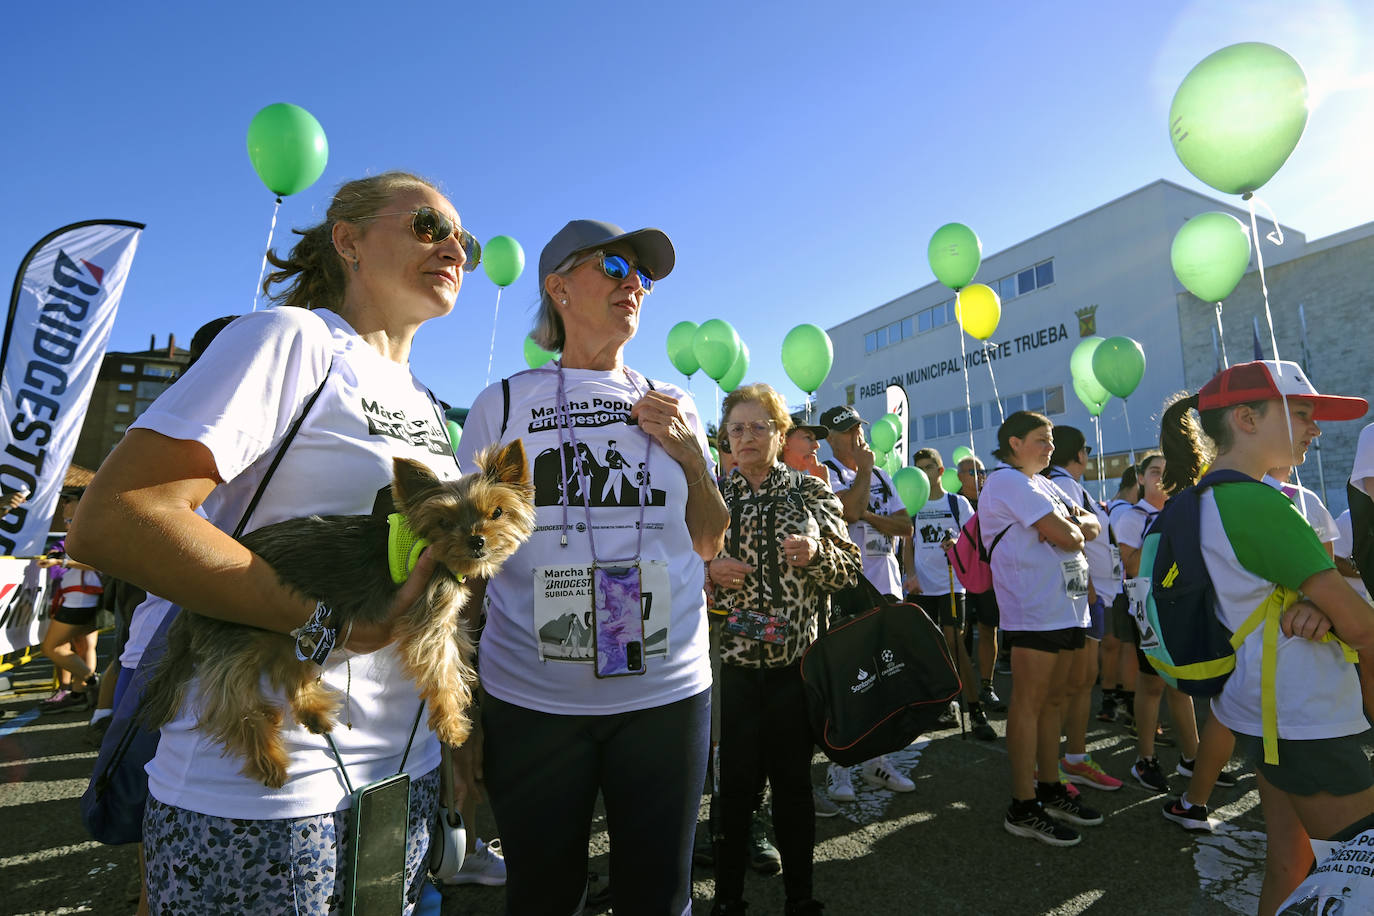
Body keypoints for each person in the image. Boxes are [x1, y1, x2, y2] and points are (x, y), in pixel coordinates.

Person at [70, 171, 473, 913]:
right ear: (347, 240)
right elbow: (116, 517)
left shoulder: (424, 401)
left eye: (464, 241)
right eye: (427, 225)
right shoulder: (293, 339)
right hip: (266, 790)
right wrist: (331, 626)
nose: (454, 246)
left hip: (397, 778)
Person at [453, 219, 729, 916]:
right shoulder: (506, 403)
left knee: (659, 900)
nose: (633, 283)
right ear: (558, 286)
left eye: (643, 275)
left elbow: (709, 541)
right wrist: (458, 711)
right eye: (613, 266)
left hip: (665, 697)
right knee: (545, 899)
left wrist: (692, 457)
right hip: (533, 703)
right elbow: (467, 563)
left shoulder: (676, 402)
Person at [1152, 361, 1374, 915]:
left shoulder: (1205, 497)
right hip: (1309, 719)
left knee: (1290, 864)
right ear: (1247, 418)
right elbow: (1363, 625)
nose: (1315, 429)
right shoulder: (1257, 503)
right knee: (1361, 883)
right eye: (1301, 414)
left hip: (1263, 713)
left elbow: (1289, 596)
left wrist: (1316, 606)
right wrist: (1330, 608)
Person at [707, 383, 860, 916]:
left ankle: (801, 898)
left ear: (779, 432)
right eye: (736, 429)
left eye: (758, 427)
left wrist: (818, 553)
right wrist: (707, 572)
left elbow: (850, 569)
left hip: (797, 669)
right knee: (734, 792)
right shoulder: (712, 498)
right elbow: (677, 574)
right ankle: (727, 901)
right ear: (725, 438)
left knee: (793, 786)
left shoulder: (812, 493)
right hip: (733, 669)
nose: (747, 437)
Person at [977, 411, 1102, 846]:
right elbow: (1069, 535)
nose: (1050, 447)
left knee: (1054, 701)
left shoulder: (1045, 483)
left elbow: (1091, 525)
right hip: (1034, 609)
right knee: (1030, 704)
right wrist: (1070, 529)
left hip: (1066, 607)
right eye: (1041, 439)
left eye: (1051, 440)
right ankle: (1023, 804)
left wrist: (1070, 527)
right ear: (1014, 443)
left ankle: (1049, 787)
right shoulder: (1006, 481)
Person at [819, 405, 916, 798]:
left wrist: (870, 518)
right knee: (846, 680)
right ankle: (838, 766)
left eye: (858, 426)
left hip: (886, 585)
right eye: (847, 430)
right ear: (830, 437)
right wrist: (862, 479)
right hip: (847, 588)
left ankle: (878, 761)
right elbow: (848, 509)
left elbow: (905, 525)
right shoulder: (824, 470)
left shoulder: (879, 474)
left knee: (884, 674)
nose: (857, 434)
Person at [1116, 453, 1203, 794]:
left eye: (1168, 472)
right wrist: (1163, 527)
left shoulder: (1184, 513)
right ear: (1140, 478)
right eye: (1154, 472)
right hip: (1148, 610)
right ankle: (1145, 759)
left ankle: (1193, 757)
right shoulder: (1133, 517)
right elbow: (1133, 567)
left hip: (1181, 608)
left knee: (1182, 684)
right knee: (1151, 686)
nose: (1161, 478)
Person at [1043, 427, 1124, 792]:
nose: (1088, 456)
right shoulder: (1063, 485)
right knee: (1067, 684)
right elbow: (1073, 542)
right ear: (1077, 453)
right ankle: (1047, 766)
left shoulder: (1073, 486)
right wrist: (1088, 590)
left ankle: (1074, 758)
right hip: (1081, 596)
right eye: (1086, 450)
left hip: (1092, 596)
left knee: (1081, 682)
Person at [902, 447, 993, 740]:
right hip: (921, 586)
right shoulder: (911, 503)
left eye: (929, 467)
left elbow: (973, 541)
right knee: (926, 647)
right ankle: (936, 704)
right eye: (919, 469)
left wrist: (956, 542)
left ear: (940, 471)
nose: (924, 474)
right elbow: (907, 544)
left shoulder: (958, 503)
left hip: (952, 583)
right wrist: (910, 576)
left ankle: (975, 709)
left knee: (955, 644)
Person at [38, 490, 104, 711]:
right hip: (83, 597)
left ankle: (93, 682)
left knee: (51, 648)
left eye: (68, 500)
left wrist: (62, 562)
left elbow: (100, 563)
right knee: (83, 647)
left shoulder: (90, 529)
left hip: (80, 598)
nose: (63, 505)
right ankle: (78, 695)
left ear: (83, 502)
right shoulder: (85, 527)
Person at [956, 454, 1005, 701]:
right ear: (958, 476)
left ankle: (987, 686)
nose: (979, 476)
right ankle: (961, 687)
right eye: (972, 472)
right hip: (961, 576)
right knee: (960, 633)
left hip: (988, 577)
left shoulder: (993, 501)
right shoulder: (952, 502)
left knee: (988, 629)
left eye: (982, 471)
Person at [1098, 467, 1142, 723]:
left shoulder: (1107, 507)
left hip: (1110, 585)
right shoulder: (1127, 511)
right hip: (1125, 587)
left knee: (1112, 645)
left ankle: (1110, 698)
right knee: (1126, 646)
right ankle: (1128, 700)